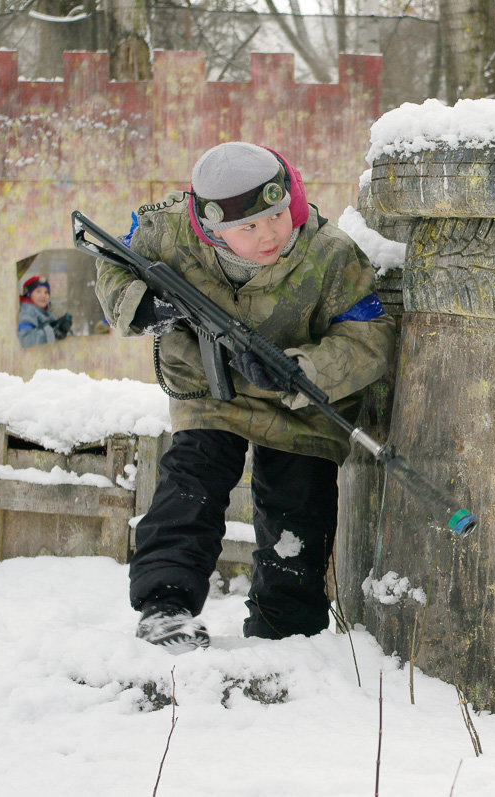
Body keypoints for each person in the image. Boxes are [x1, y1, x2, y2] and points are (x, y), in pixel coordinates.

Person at [95, 142, 396, 652]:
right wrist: (142, 306)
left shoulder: (332, 254)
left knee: (297, 513)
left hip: (302, 407)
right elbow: (112, 265)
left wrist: (301, 370)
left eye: (276, 216)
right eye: (249, 227)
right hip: (209, 392)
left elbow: (369, 337)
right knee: (191, 484)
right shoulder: (164, 230)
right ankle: (165, 606)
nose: (270, 235)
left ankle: (287, 633)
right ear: (209, 226)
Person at [17, 275, 72, 347]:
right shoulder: (27, 312)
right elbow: (25, 340)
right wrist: (53, 332)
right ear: (28, 295)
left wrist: (63, 329)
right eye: (38, 291)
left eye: (46, 292)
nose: (43, 295)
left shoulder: (46, 312)